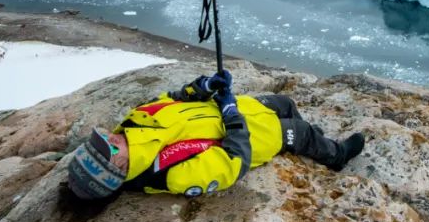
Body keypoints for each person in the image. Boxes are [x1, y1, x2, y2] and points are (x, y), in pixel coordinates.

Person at [67, 71, 365, 201]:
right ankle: (335, 156)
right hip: (251, 135)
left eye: (99, 139)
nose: (108, 137)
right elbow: (233, 163)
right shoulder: (166, 174)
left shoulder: (133, 124)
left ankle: (310, 143)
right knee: (298, 132)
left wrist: (202, 87)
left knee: (285, 103)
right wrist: (232, 115)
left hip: (232, 111)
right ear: (117, 170)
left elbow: (170, 99)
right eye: (107, 148)